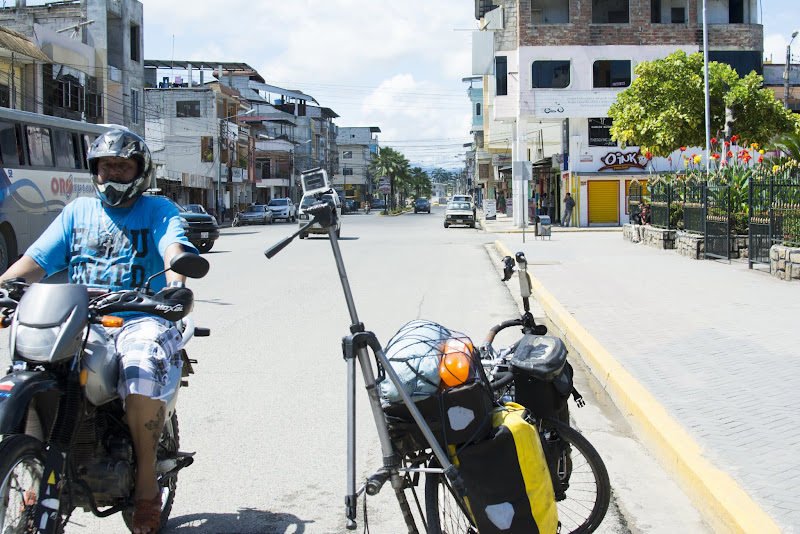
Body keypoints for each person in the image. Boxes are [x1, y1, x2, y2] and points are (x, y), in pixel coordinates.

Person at [0, 130, 198, 534]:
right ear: (95, 171)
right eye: (106, 167)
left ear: (140, 172)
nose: (113, 175)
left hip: (140, 314)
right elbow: (36, 260)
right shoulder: (77, 212)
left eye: (122, 167)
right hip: (82, 315)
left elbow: (174, 248)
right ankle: (35, 466)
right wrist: (5, 284)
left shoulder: (158, 210)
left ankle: (145, 485)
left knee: (141, 367)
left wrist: (176, 280)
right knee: (34, 362)